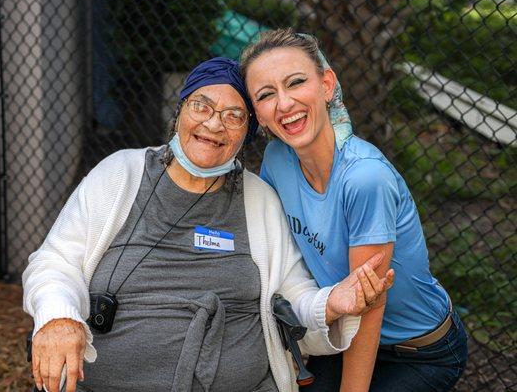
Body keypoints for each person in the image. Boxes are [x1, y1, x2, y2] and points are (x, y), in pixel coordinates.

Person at [22, 57, 394, 392]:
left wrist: (333, 303)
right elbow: (55, 262)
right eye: (202, 106)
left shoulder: (259, 200)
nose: (214, 124)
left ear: (247, 133)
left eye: (234, 116)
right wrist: (57, 318)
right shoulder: (120, 173)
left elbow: (292, 299)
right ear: (181, 110)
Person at [240, 29, 468, 392]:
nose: (284, 104)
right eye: (266, 95)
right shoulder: (276, 161)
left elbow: (371, 304)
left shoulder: (365, 178)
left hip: (418, 350)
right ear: (258, 115)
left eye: (296, 83)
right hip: (340, 333)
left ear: (327, 85)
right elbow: (279, 256)